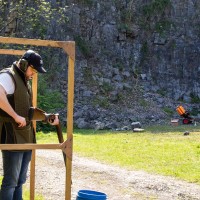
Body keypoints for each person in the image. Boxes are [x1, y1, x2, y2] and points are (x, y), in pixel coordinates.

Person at [0, 50, 59, 200]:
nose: (34, 74)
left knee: (20, 182)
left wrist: (46, 117)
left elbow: (27, 112)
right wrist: (15, 116)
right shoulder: (8, 76)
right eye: (33, 69)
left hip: (26, 137)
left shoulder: (24, 80)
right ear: (25, 64)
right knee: (10, 182)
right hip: (11, 137)